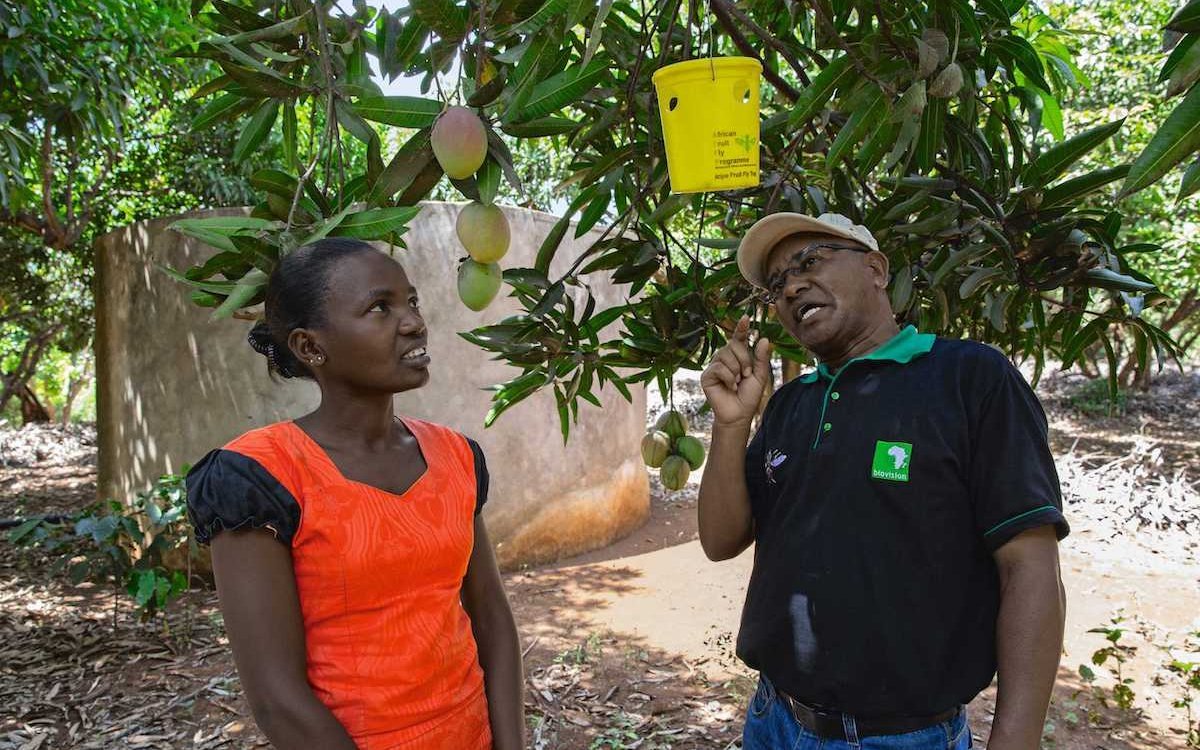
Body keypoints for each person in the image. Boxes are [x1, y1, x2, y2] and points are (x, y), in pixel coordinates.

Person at [698, 212, 1068, 749]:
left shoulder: (970, 378)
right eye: (777, 285)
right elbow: (720, 540)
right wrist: (731, 425)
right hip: (772, 719)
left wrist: (1017, 738)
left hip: (901, 737)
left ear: (875, 268)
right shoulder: (791, 405)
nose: (793, 286)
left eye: (810, 260)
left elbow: (1030, 566)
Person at [185, 238, 524, 749]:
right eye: (378, 308)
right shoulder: (261, 478)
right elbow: (277, 697)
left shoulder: (456, 456)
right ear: (310, 346)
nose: (412, 322)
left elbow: (492, 619)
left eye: (411, 302)